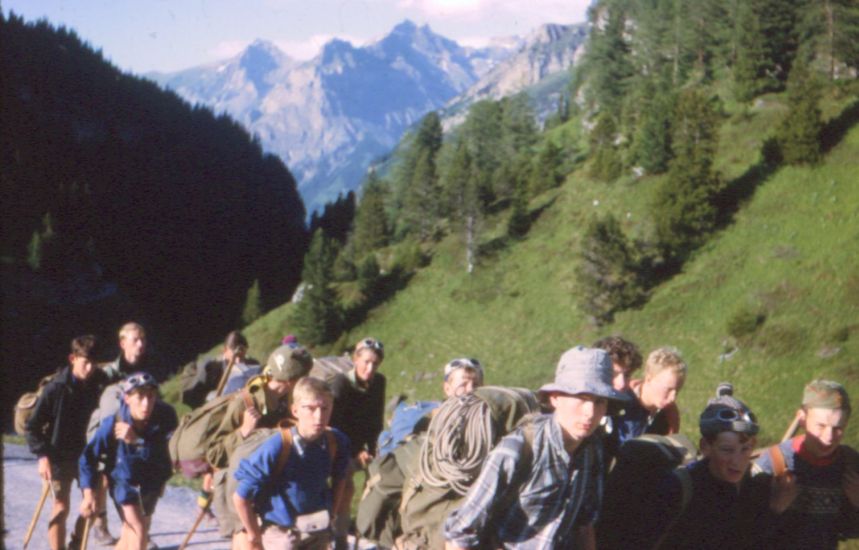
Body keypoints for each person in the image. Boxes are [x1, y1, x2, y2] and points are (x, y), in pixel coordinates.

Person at [443, 345, 629, 549]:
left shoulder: (592, 452)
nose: (590, 412)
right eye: (581, 398)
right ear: (556, 398)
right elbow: (460, 533)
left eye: (600, 401)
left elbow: (584, 525)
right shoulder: (517, 450)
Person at [630, 383, 783, 549]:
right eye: (727, 450)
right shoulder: (678, 489)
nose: (737, 461)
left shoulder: (753, 487)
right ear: (705, 447)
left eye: (745, 449)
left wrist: (774, 510)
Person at [207, 344, 313, 548]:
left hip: (268, 485)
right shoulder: (244, 402)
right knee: (247, 539)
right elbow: (214, 455)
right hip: (238, 485)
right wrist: (243, 431)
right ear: (293, 380)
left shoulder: (287, 403)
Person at [233, 377, 350, 550]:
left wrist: (332, 512)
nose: (319, 416)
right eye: (310, 408)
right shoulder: (278, 446)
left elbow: (341, 478)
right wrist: (253, 534)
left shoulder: (336, 442)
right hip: (281, 533)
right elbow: (240, 497)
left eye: (325, 408)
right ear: (295, 410)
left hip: (317, 529)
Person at [25, 335, 108, 550]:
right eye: (84, 362)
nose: (89, 368)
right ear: (72, 358)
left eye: (93, 363)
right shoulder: (55, 388)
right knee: (61, 508)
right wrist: (42, 456)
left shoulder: (100, 383)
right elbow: (32, 427)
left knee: (93, 506)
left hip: (88, 456)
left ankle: (76, 545)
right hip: (57, 457)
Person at [755, 379, 859, 549]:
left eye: (838, 428)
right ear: (802, 418)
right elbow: (744, 534)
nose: (829, 437)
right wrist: (775, 509)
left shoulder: (850, 464)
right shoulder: (772, 465)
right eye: (821, 425)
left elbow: (850, 530)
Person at [79, 372, 178, 550]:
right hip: (123, 481)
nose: (146, 403)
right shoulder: (113, 423)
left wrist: (138, 442)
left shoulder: (166, 417)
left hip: (151, 480)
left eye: (151, 396)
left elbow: (170, 454)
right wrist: (88, 494)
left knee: (129, 532)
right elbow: (87, 458)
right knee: (139, 530)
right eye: (140, 396)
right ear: (127, 398)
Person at [86, 321, 159, 544]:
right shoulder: (107, 374)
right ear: (122, 343)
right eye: (135, 339)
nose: (141, 344)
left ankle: (139, 531)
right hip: (106, 431)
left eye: (143, 339)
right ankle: (100, 523)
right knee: (103, 477)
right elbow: (93, 404)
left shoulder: (149, 370)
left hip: (136, 432)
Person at [328, 337, 387, 546]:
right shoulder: (341, 384)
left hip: (360, 446)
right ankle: (339, 538)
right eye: (366, 362)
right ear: (355, 359)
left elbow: (375, 420)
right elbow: (335, 426)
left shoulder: (379, 383)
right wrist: (354, 453)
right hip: (337, 444)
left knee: (379, 480)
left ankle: (366, 530)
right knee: (346, 484)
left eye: (375, 364)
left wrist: (374, 449)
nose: (370, 368)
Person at [604, 346, 685, 461]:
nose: (673, 397)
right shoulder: (620, 404)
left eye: (677, 390)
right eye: (668, 389)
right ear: (648, 378)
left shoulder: (669, 415)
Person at [180, 330, 261, 409]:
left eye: (242, 356)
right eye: (235, 356)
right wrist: (211, 397)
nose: (238, 361)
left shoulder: (252, 364)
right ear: (225, 350)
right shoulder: (211, 368)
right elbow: (196, 395)